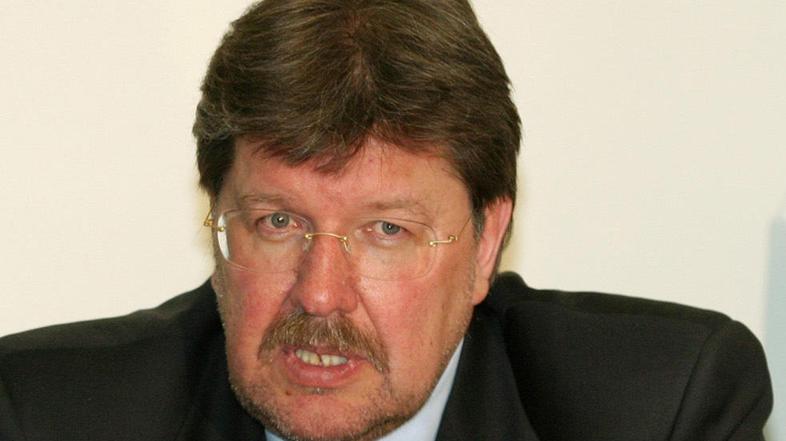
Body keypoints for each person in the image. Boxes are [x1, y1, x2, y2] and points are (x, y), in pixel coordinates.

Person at [0, 0, 772, 440]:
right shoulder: (45, 415)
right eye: (278, 221)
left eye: (387, 231)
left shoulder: (659, 411)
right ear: (217, 219)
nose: (320, 293)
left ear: (485, 245)